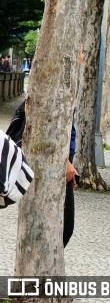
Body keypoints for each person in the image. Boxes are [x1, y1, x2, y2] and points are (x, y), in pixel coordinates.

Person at [6, 101, 78, 246]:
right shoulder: (47, 99)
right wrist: (64, 161)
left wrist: (69, 161)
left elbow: (69, 134)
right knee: (47, 229)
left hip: (62, 168)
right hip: (44, 168)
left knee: (63, 230)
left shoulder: (67, 97)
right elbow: (42, 135)